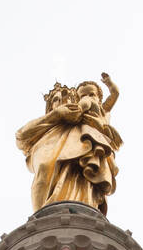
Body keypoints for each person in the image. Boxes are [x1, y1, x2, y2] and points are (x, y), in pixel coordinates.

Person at [16, 74, 122, 215]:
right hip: (47, 151)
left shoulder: (80, 124)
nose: (62, 101)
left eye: (67, 98)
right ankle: (42, 217)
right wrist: (56, 115)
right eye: (56, 99)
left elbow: (109, 98)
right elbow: (21, 135)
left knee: (80, 171)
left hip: (84, 150)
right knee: (44, 168)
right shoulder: (47, 124)